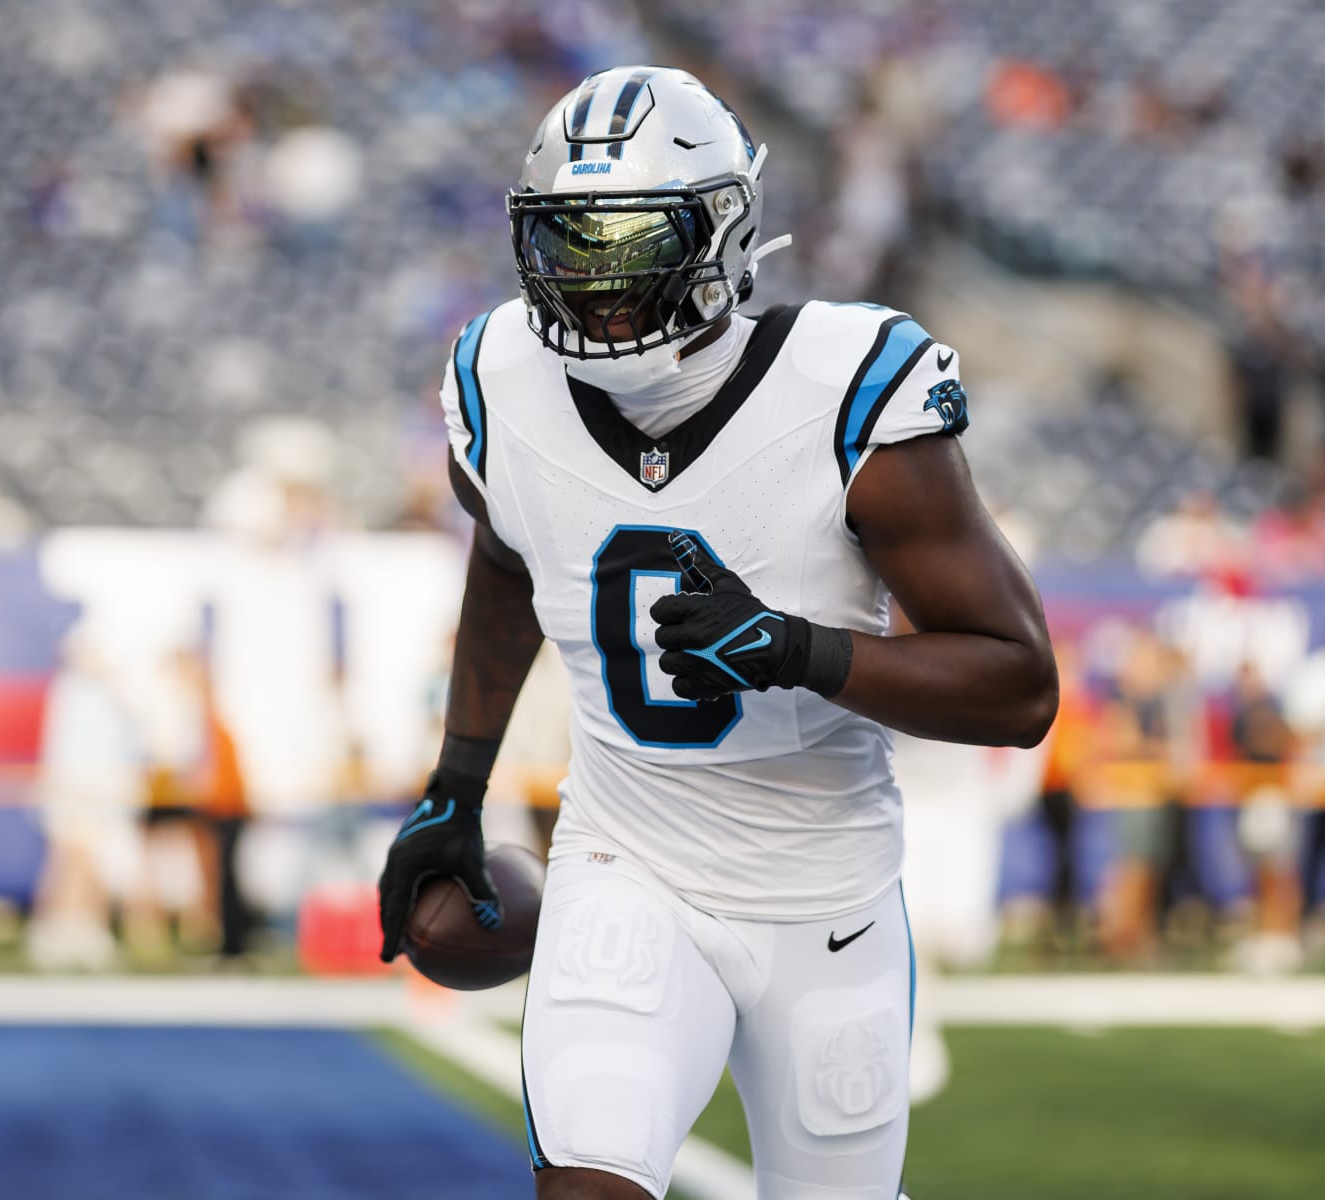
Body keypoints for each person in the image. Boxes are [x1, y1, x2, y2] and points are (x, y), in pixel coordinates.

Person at [376, 67, 1056, 1199]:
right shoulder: (498, 376)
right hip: (623, 863)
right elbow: (505, 555)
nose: (598, 285)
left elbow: (1018, 686)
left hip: (826, 897)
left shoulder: (847, 388)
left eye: (634, 244)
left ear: (726, 232)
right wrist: (456, 783)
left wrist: (796, 650)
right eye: (569, 246)